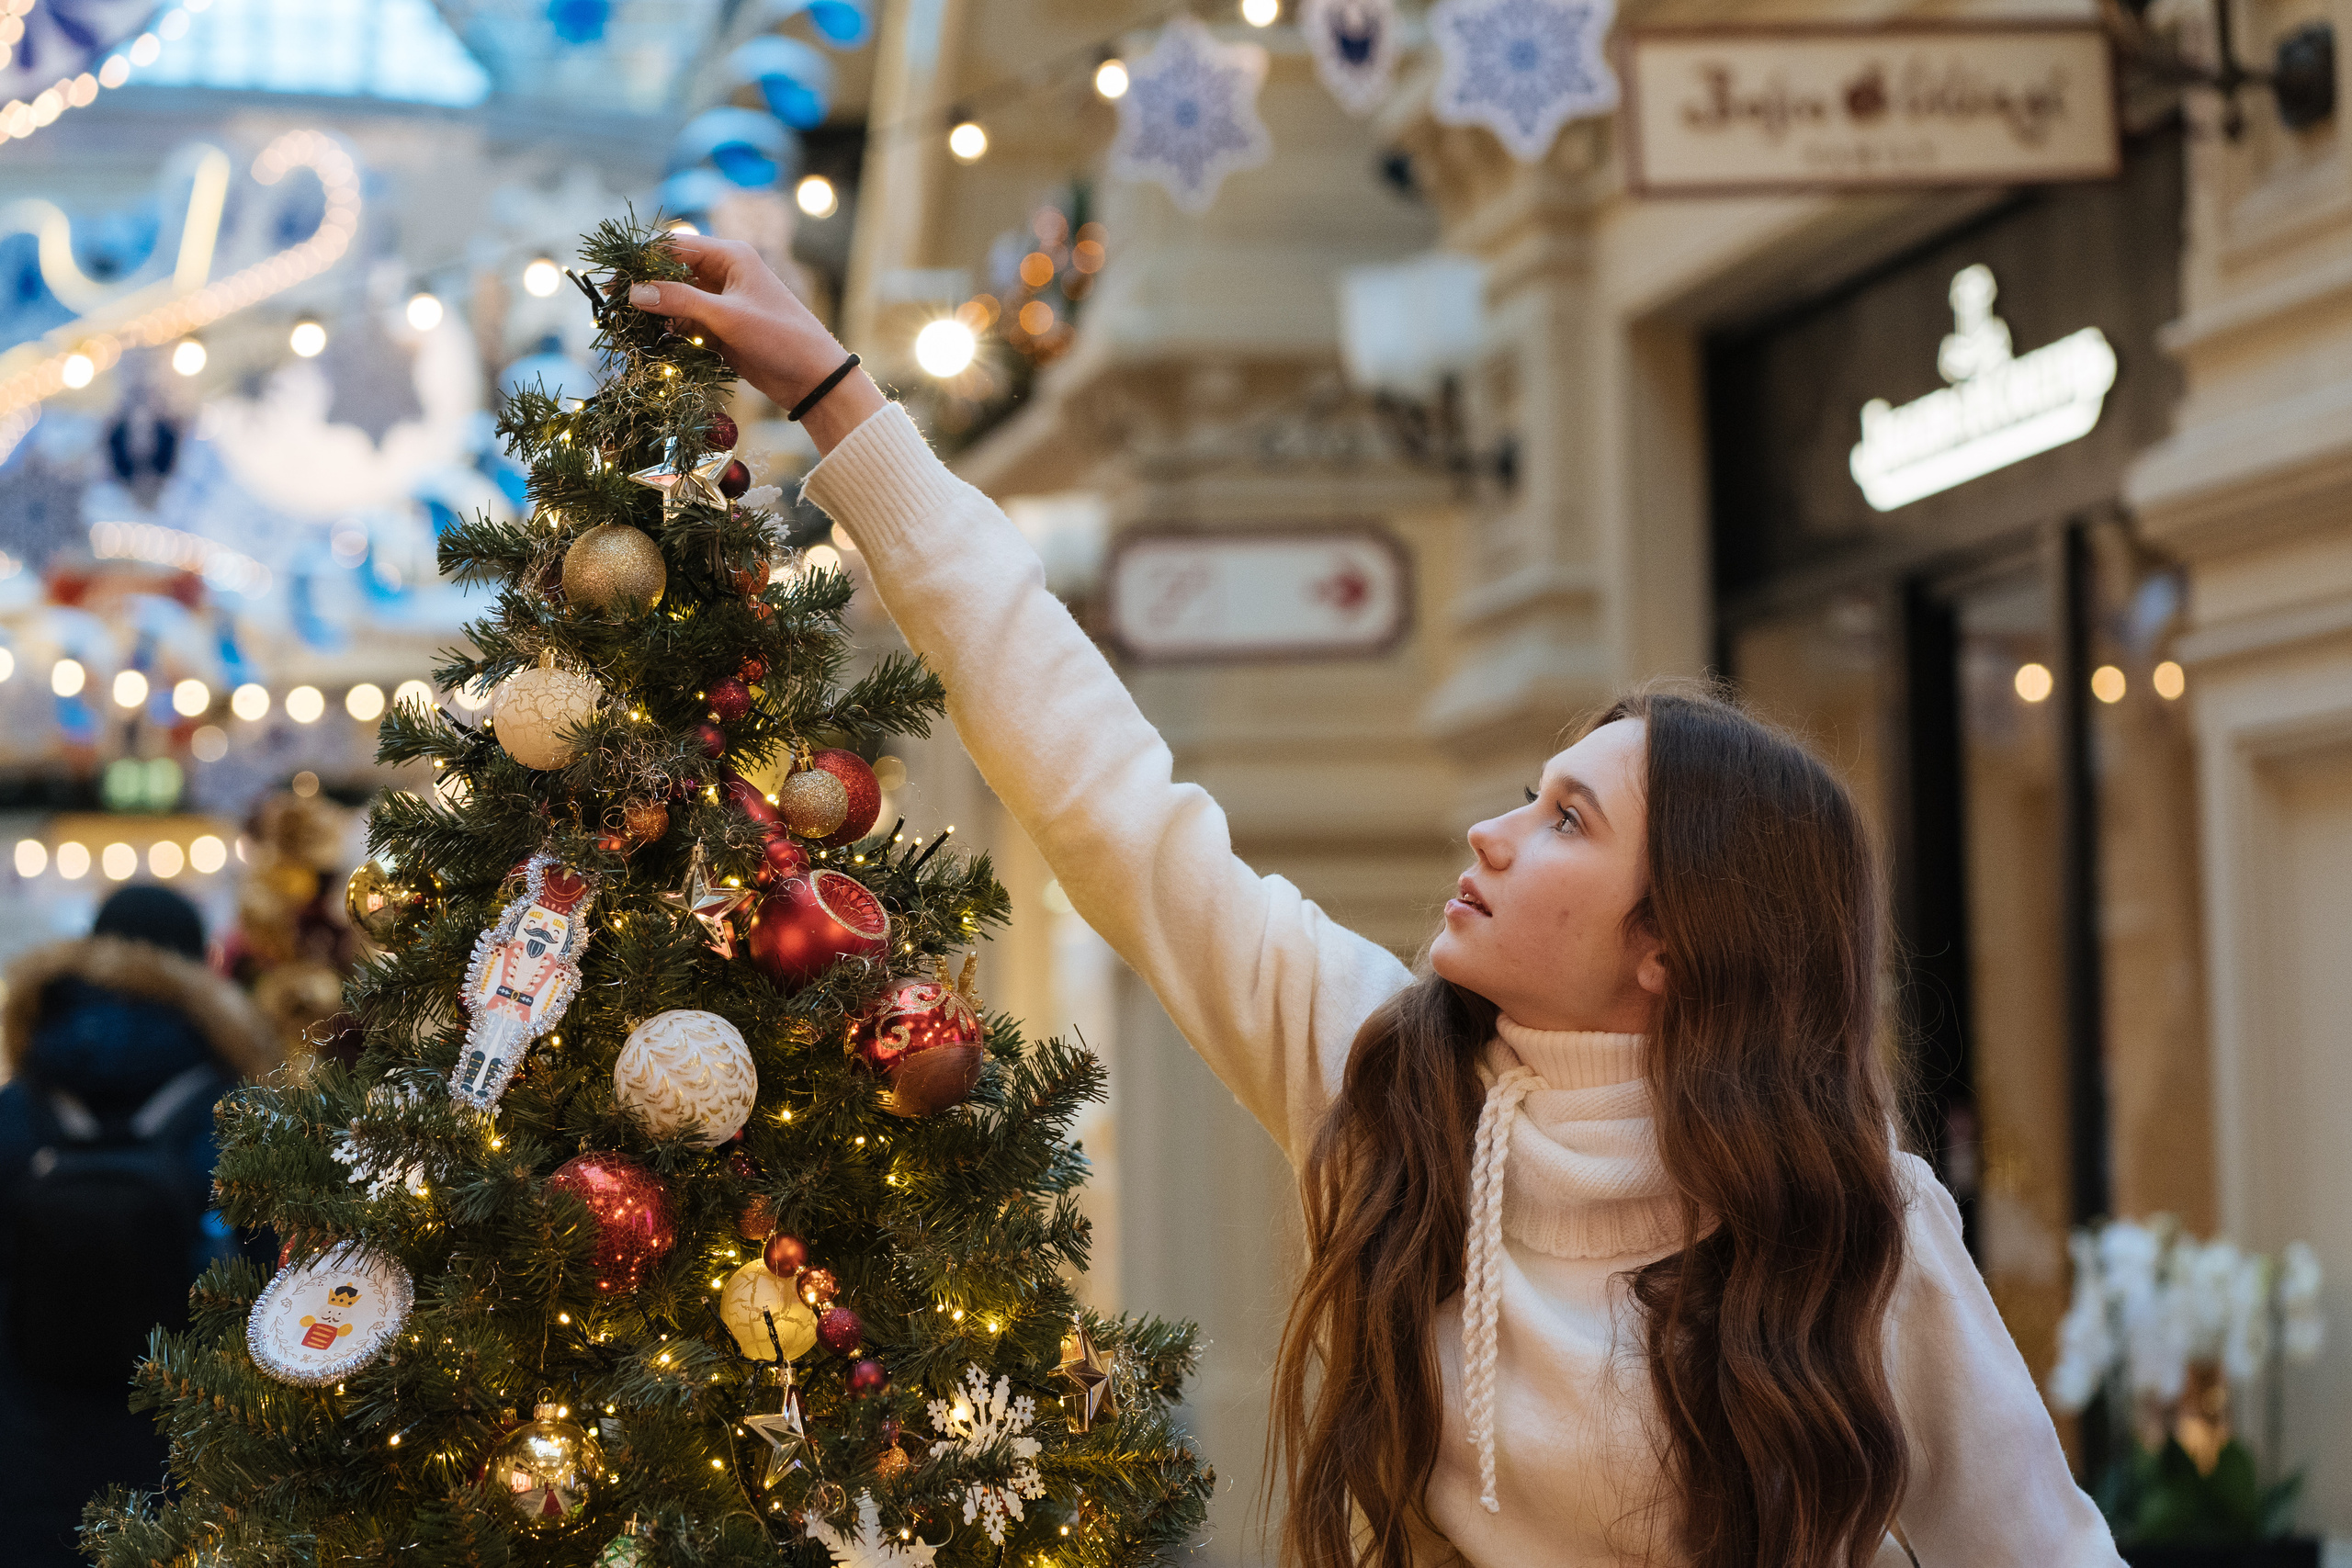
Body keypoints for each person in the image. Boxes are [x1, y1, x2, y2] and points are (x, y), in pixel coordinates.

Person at [629, 240, 2127, 1568]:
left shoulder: (1850, 1221)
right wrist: (841, 398)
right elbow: (1103, 789)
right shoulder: (1386, 1070)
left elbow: (2042, 1545)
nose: (1487, 832)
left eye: (1564, 822)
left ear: (1673, 942)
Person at [0, 885, 275, 1568]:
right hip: (188, 1455)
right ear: (200, 968)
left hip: (27, 1445)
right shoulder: (231, 1104)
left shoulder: (22, 1099)